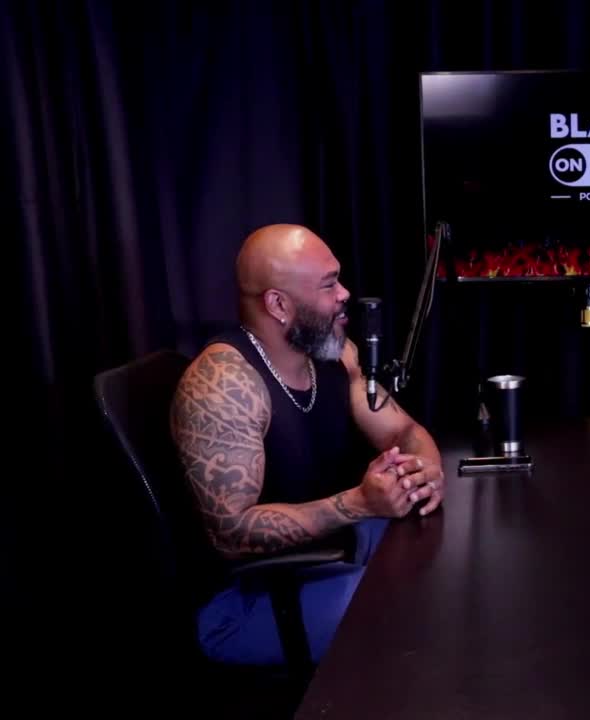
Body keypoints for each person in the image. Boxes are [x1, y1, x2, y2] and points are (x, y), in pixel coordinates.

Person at [169, 223, 446, 666]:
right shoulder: (223, 384)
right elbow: (230, 535)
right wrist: (359, 503)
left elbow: (401, 432)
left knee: (441, 560)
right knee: (417, 615)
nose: (345, 294)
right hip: (245, 602)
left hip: (324, 559)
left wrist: (425, 471)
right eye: (328, 285)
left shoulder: (335, 353)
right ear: (278, 304)